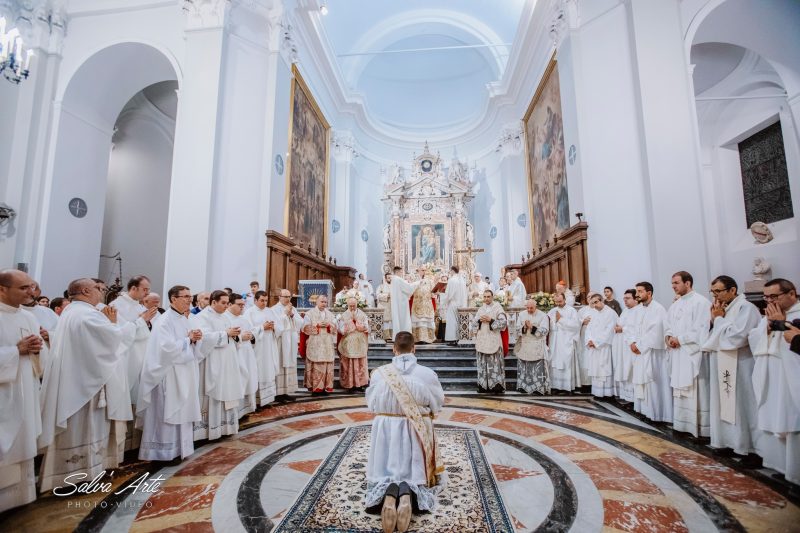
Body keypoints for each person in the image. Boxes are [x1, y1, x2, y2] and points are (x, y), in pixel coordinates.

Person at [38, 278, 130, 491]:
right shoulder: (87, 314)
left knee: (82, 429)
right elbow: (112, 340)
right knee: (85, 428)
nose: (102, 292)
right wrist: (113, 324)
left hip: (77, 381)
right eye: (100, 289)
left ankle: (80, 472)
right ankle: (79, 474)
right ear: (86, 290)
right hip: (84, 385)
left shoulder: (74, 311)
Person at [365, 331, 445, 532]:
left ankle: (390, 494)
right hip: (414, 431)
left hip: (385, 428)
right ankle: (408, 495)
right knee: (412, 472)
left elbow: (372, 405)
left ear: (394, 349)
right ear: (414, 348)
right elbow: (437, 405)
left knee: (387, 471)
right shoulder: (427, 374)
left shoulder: (379, 373)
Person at [137, 285, 207, 461]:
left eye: (190, 296)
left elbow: (191, 342)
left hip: (183, 372)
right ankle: (162, 453)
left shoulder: (185, 319)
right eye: (185, 296)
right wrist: (188, 340)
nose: (189, 300)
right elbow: (165, 349)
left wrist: (195, 339)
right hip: (168, 373)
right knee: (167, 412)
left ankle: (179, 450)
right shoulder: (164, 320)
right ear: (173, 299)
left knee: (182, 410)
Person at [701, 275, 762, 461]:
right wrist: (713, 321)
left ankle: (749, 449)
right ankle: (727, 442)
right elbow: (712, 335)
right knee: (724, 405)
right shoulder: (722, 309)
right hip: (722, 363)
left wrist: (718, 320)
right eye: (713, 292)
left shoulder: (746, 308)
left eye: (718, 291)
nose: (715, 296)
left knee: (743, 406)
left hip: (741, 365)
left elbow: (737, 337)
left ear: (733, 290)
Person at [747, 278, 800, 484]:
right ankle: (782, 466)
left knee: (791, 420)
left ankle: (795, 473)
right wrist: (766, 328)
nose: (769, 301)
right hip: (771, 374)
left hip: (791, 377)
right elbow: (753, 337)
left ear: (792, 294)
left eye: (774, 296)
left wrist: (780, 323)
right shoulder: (770, 314)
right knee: (773, 416)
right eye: (766, 297)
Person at [0, 270, 44, 512]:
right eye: (23, 288)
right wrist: (15, 351)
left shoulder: (28, 318)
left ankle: (19, 498)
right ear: (2, 289)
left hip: (25, 388)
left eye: (31, 287)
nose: (31, 292)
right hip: (4, 394)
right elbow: (17, 350)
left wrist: (39, 348)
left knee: (23, 439)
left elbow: (38, 360)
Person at [192, 290, 244, 440]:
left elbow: (230, 335)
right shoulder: (202, 317)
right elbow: (204, 337)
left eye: (227, 303)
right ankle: (208, 430)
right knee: (214, 394)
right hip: (212, 362)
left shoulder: (225, 317)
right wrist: (226, 334)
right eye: (223, 303)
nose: (226, 306)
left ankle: (224, 427)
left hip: (228, 362)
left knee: (227, 390)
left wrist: (235, 335)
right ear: (213, 302)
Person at [665, 271, 711, 438]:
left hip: (691, 354)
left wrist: (680, 339)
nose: (673, 286)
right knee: (679, 388)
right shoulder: (675, 305)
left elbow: (701, 330)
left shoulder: (701, 302)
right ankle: (682, 424)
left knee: (694, 389)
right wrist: (669, 337)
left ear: (688, 283)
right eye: (672, 283)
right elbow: (668, 325)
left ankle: (700, 428)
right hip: (678, 353)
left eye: (676, 283)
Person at [110, 275, 158, 407]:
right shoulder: (115, 306)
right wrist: (142, 320)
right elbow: (118, 333)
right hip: (126, 356)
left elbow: (148, 331)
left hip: (141, 356)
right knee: (123, 396)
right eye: (145, 289)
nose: (147, 293)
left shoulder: (141, 307)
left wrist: (146, 322)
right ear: (133, 288)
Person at [630, 282, 671, 422]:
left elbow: (656, 332)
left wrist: (639, 346)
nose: (637, 294)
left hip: (652, 353)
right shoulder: (638, 309)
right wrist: (632, 342)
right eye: (637, 291)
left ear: (649, 293)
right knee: (641, 382)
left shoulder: (658, 309)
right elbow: (632, 328)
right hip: (640, 352)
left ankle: (657, 413)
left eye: (640, 291)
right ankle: (645, 410)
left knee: (653, 383)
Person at [245, 291, 284, 406]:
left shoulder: (269, 311)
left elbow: (280, 327)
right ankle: (256, 401)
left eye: (266, 300)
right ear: (255, 300)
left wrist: (273, 327)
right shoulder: (249, 313)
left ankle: (267, 399)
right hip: (257, 347)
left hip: (269, 345)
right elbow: (248, 331)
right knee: (258, 370)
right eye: (262, 300)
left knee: (268, 369)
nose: (264, 303)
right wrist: (262, 327)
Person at [226, 293, 258, 417]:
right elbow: (223, 337)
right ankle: (236, 413)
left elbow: (252, 333)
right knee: (238, 381)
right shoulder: (225, 318)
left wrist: (251, 336)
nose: (242, 308)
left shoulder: (244, 319)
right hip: (235, 356)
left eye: (243, 305)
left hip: (247, 354)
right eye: (239, 305)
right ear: (230, 304)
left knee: (248, 380)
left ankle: (244, 410)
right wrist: (240, 337)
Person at [471, 289, 508, 393]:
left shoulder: (498, 308)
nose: (486, 299)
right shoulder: (481, 309)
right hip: (483, 339)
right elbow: (473, 324)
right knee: (483, 363)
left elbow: (503, 323)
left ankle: (496, 386)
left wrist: (490, 320)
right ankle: (483, 386)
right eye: (485, 297)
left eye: (488, 297)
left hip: (493, 339)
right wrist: (479, 321)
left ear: (492, 297)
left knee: (494, 363)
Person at [302, 294, 337, 394]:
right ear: (316, 302)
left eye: (325, 302)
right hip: (315, 343)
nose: (324, 304)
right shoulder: (310, 314)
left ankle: (325, 387)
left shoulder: (330, 314)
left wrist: (330, 325)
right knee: (316, 364)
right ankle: (315, 388)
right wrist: (316, 325)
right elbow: (304, 328)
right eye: (322, 302)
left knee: (326, 365)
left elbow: (335, 328)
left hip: (327, 344)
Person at [272, 289, 303, 401]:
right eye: (285, 296)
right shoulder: (274, 310)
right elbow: (275, 325)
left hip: (291, 340)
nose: (287, 299)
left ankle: (286, 391)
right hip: (281, 341)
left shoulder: (293, 308)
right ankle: (278, 392)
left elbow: (300, 323)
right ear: (279, 297)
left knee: (289, 365)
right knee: (280, 364)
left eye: (289, 296)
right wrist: (285, 314)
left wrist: (292, 315)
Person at [585, 293, 618, 398]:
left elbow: (609, 331)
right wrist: (589, 340)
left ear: (602, 300)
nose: (594, 305)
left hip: (604, 347)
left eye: (596, 302)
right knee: (596, 370)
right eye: (592, 303)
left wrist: (596, 342)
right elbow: (588, 329)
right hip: (594, 347)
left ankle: (607, 394)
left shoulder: (611, 313)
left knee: (604, 370)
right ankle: (597, 392)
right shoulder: (593, 313)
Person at [515, 298, 550, 394]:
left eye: (531, 308)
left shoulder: (543, 316)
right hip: (525, 344)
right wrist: (524, 327)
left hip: (537, 344)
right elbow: (517, 329)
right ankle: (523, 386)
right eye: (528, 308)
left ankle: (538, 388)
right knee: (525, 367)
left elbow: (545, 330)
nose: (529, 310)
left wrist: (532, 327)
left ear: (536, 307)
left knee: (536, 368)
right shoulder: (522, 315)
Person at [547, 292, 581, 392]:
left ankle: (566, 387)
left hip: (566, 340)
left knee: (565, 362)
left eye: (560, 301)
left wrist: (561, 319)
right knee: (554, 361)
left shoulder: (572, 311)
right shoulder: (552, 311)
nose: (558, 304)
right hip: (555, 340)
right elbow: (548, 325)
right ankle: (555, 386)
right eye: (556, 302)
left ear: (565, 300)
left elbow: (576, 325)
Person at [338, 297, 370, 392]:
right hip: (348, 342)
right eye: (350, 306)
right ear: (347, 305)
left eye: (354, 305)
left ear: (357, 304)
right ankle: (349, 385)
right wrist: (350, 324)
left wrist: (358, 323)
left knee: (360, 363)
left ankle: (360, 384)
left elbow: (367, 328)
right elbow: (341, 330)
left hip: (360, 342)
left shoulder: (362, 314)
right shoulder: (344, 315)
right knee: (349, 363)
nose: (352, 307)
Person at [612, 289, 639, 402]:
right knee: (624, 370)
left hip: (631, 346)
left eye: (627, 298)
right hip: (622, 346)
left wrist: (622, 328)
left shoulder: (639, 311)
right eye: (624, 299)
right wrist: (618, 327)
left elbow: (637, 328)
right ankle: (626, 397)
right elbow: (618, 323)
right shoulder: (626, 311)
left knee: (631, 371)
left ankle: (634, 399)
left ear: (635, 299)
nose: (625, 301)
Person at [390, 267, 419, 336]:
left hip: (396, 303)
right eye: (400, 272)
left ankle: (397, 335)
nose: (401, 273)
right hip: (401, 304)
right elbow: (409, 288)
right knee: (403, 319)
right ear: (397, 272)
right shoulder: (398, 279)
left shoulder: (393, 280)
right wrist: (417, 283)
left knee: (397, 319)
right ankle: (404, 335)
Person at [442, 266, 467, 345]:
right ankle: (458, 338)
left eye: (450, 270)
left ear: (452, 270)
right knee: (458, 321)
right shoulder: (462, 280)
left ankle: (452, 339)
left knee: (452, 321)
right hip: (461, 303)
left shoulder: (452, 280)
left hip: (453, 303)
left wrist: (443, 300)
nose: (450, 272)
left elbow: (448, 294)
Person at [410, 267, 436, 343]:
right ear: (418, 271)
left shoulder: (430, 281)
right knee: (417, 321)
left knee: (426, 321)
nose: (424, 272)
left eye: (425, 270)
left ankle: (427, 338)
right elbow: (411, 290)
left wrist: (436, 291)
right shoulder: (414, 280)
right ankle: (417, 338)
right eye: (422, 270)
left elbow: (433, 292)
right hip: (417, 303)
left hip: (427, 304)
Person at [376, 273, 393, 341]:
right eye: (388, 278)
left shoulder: (393, 286)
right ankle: (385, 336)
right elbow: (377, 295)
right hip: (384, 306)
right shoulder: (381, 286)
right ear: (385, 278)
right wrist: (386, 296)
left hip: (391, 306)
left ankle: (391, 335)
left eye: (390, 278)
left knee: (391, 321)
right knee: (385, 321)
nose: (390, 279)